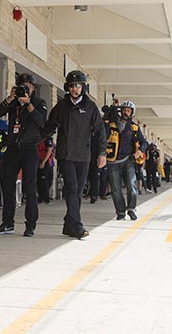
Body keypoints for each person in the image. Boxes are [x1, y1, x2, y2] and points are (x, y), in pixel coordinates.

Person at [42, 70, 106, 238]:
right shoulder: (61, 106)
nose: (74, 89)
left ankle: (68, 225)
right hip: (65, 155)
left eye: (78, 85)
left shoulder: (90, 107)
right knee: (71, 189)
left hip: (84, 155)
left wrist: (102, 153)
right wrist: (35, 138)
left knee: (77, 192)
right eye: (71, 86)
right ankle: (77, 226)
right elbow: (50, 126)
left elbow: (100, 132)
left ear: (83, 87)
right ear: (67, 87)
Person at [0, 73, 47, 237]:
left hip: (30, 149)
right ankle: (8, 223)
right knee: (8, 186)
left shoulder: (39, 103)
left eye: (28, 85)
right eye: (23, 85)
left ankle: (30, 225)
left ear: (33, 88)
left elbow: (40, 121)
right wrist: (10, 98)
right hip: (12, 148)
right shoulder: (14, 103)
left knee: (29, 188)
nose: (26, 88)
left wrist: (28, 103)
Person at [105, 100, 147, 220]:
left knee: (131, 185)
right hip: (113, 161)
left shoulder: (134, 127)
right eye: (124, 109)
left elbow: (144, 142)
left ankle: (131, 209)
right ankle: (120, 212)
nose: (125, 112)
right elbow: (102, 136)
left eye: (128, 110)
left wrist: (140, 151)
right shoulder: (111, 124)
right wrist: (106, 121)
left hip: (128, 160)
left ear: (132, 113)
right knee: (115, 189)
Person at [37, 135, 55, 204]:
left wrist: (43, 162)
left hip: (45, 161)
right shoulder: (38, 137)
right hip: (38, 159)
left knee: (44, 179)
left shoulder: (48, 138)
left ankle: (45, 197)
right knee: (39, 180)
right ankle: (41, 197)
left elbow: (49, 150)